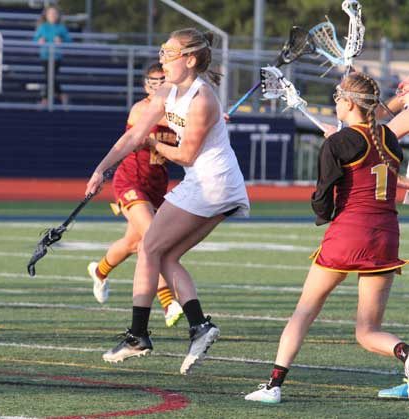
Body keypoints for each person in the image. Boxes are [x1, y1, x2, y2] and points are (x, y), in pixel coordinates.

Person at [85, 28, 250, 375]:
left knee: (148, 248)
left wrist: (154, 146)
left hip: (210, 181)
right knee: (165, 255)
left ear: (189, 60)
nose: (162, 59)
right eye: (161, 52)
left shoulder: (203, 98)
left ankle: (138, 335)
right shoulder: (168, 90)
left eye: (168, 54)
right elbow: (133, 134)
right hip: (212, 183)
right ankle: (199, 326)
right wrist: (101, 169)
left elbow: (187, 155)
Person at [244, 72, 408, 404]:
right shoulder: (389, 138)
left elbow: (323, 197)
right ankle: (406, 355)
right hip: (386, 236)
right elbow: (367, 151)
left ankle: (274, 385)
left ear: (348, 103)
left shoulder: (339, 142)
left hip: (349, 235)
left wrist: (324, 212)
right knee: (367, 331)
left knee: (304, 311)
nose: (335, 104)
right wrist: (339, 139)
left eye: (337, 99)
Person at [87, 62, 184, 328]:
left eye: (163, 80)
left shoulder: (181, 111)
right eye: (153, 82)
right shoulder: (142, 109)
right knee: (154, 239)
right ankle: (169, 303)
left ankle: (99, 271)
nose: (159, 86)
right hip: (131, 181)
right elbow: (143, 132)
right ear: (146, 86)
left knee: (133, 243)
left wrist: (208, 124)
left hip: (157, 186)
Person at [33, 5, 71, 105]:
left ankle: (45, 98)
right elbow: (35, 39)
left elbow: (69, 40)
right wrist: (40, 40)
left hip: (56, 56)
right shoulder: (42, 27)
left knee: (51, 77)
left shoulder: (61, 28)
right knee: (49, 77)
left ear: (58, 15)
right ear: (46, 15)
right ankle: (61, 94)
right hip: (45, 56)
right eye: (50, 13)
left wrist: (61, 40)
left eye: (55, 13)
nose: (53, 15)